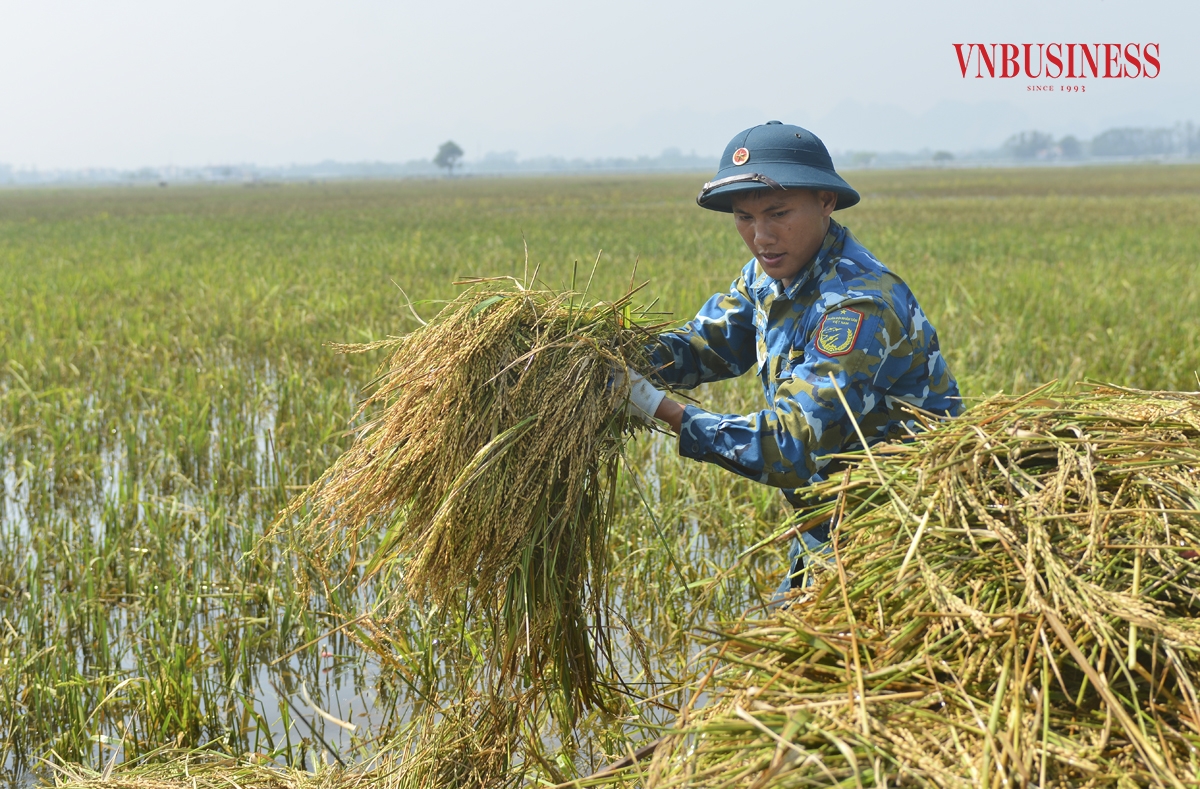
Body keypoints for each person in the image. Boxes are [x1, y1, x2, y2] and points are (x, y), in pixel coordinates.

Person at [621, 121, 962, 598]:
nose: (761, 237)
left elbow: (792, 444)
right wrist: (605, 353)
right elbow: (706, 345)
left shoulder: (857, 307)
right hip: (824, 532)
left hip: (898, 541)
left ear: (826, 201)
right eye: (744, 218)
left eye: (778, 213)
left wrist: (662, 409)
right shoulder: (767, 277)